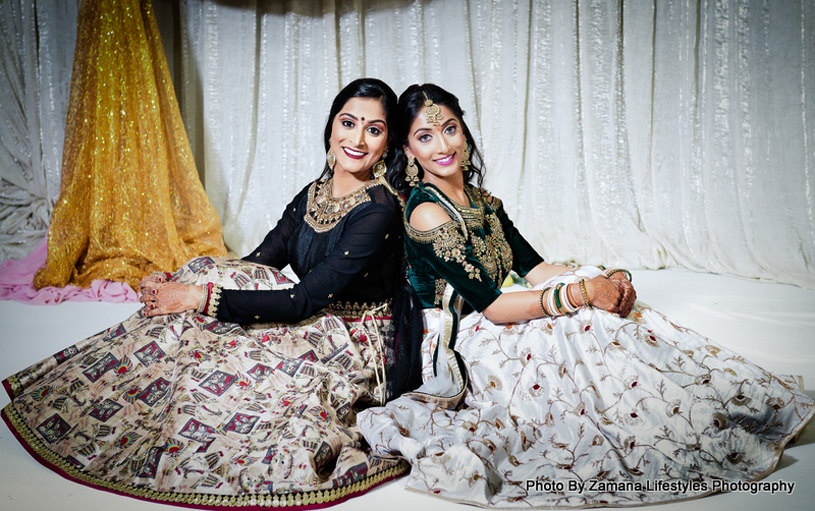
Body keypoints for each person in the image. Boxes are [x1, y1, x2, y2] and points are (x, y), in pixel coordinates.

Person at [359, 83, 815, 508]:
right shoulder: (426, 212)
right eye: (425, 137)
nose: (443, 146)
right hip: (464, 335)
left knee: (593, 289)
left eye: (450, 129)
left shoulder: (481, 201)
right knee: (577, 318)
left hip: (500, 308)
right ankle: (658, 424)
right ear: (407, 149)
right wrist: (580, 294)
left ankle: (703, 403)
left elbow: (535, 268)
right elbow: (494, 307)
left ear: (463, 129)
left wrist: (606, 276)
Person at [2, 78, 410, 509]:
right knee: (206, 274)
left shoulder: (378, 208)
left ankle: (170, 431)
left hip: (349, 336)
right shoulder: (312, 194)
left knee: (210, 323)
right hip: (308, 316)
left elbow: (301, 300)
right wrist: (176, 281)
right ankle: (108, 401)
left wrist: (199, 297)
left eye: (374, 129)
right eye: (349, 123)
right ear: (331, 128)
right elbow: (255, 265)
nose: (358, 139)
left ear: (387, 143)